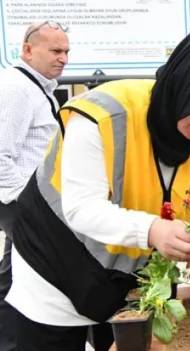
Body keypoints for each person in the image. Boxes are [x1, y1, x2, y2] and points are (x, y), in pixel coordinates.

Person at [4, 27, 190, 350]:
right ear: (183, 90)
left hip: (123, 276)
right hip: (55, 259)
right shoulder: (103, 116)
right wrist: (153, 230)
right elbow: (81, 208)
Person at [0, 20, 69, 351]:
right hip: (21, 205)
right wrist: (28, 206)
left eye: (67, 51)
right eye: (56, 50)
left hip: (31, 206)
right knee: (18, 284)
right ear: (28, 50)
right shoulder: (16, 89)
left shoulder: (37, 88)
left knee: (18, 282)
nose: (64, 58)